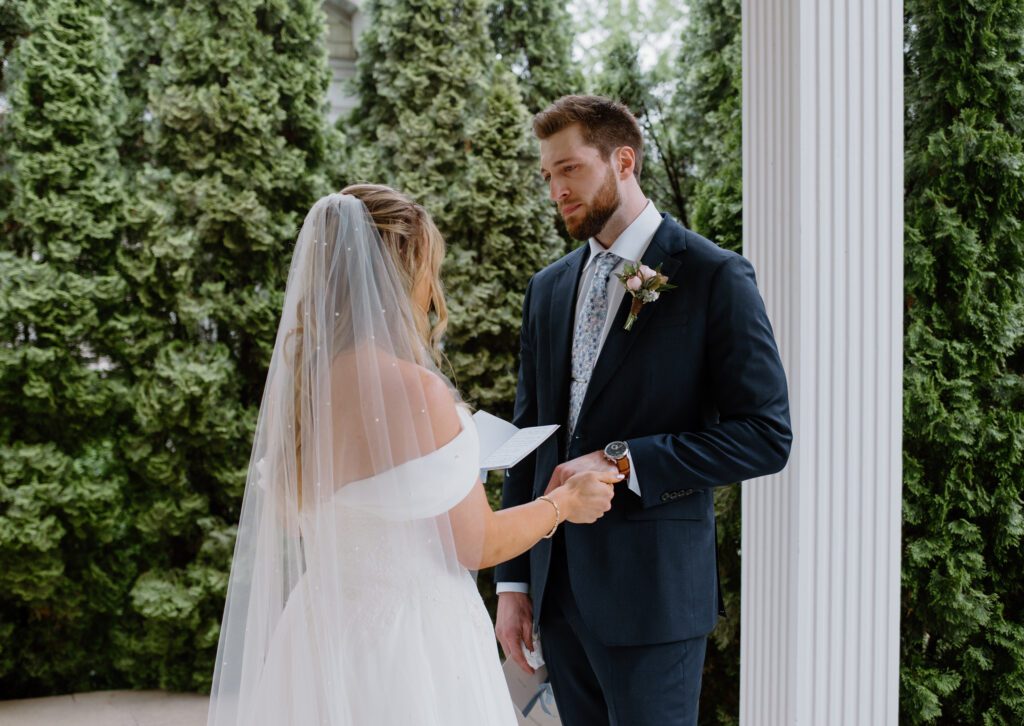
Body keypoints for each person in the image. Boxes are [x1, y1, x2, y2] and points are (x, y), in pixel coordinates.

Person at [206, 184, 622, 726]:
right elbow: (477, 543)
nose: (433, 287)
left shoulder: (305, 391)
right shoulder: (417, 391)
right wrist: (564, 503)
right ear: (402, 274)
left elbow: (296, 512)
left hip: (318, 633)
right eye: (429, 269)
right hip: (411, 643)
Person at [494, 95, 793, 726]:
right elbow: (528, 437)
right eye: (547, 175)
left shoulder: (714, 276)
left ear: (623, 161)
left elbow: (766, 435)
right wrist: (514, 583)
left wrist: (623, 460)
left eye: (570, 169)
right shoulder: (547, 289)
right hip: (556, 594)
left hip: (654, 600)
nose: (556, 191)